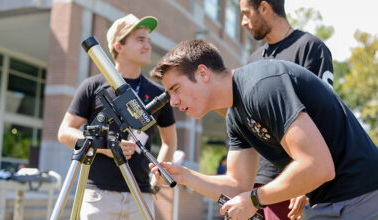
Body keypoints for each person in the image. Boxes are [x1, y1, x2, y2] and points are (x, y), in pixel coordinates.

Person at [149, 39, 378, 220]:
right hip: (327, 202)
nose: (173, 102)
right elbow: (238, 185)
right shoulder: (235, 115)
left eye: (176, 89)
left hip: (364, 196)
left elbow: (318, 167)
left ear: (202, 73)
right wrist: (186, 176)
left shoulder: (262, 86)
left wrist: (255, 200)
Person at [58, 14, 177, 219]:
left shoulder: (158, 93)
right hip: (98, 195)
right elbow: (64, 132)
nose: (147, 46)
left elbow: (170, 142)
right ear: (118, 46)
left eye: (148, 41)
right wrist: (104, 146)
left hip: (140, 193)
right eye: (140, 40)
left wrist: (156, 180)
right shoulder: (93, 86)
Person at [239, 0, 334, 219]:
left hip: (295, 185)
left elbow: (324, 118)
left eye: (246, 13)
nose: (243, 22)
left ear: (264, 7)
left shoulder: (310, 48)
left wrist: (307, 184)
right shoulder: (252, 61)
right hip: (260, 183)